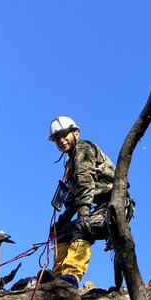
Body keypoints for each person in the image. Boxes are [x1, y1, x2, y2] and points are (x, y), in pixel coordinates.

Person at [48, 116, 117, 288]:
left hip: (112, 205)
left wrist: (83, 215)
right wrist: (62, 220)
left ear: (75, 133)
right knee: (62, 232)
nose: (61, 140)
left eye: (64, 135)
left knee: (82, 229)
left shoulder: (82, 149)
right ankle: (57, 276)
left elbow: (85, 183)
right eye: (57, 139)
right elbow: (74, 196)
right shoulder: (70, 162)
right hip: (96, 207)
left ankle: (70, 277)